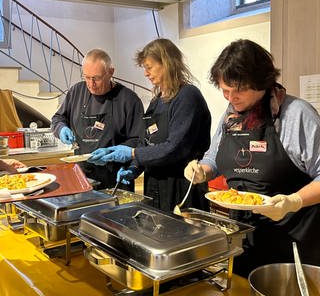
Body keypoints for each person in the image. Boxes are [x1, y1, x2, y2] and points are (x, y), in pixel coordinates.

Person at [184, 39, 320, 277]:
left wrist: (293, 201)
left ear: (262, 82)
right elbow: (214, 158)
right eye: (225, 90)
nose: (230, 98)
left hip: (291, 244)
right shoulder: (231, 115)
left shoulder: (296, 115)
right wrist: (202, 170)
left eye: (239, 90)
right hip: (243, 238)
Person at [88, 38, 211, 212]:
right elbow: (148, 142)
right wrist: (134, 168)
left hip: (182, 188)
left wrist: (132, 153)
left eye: (149, 67)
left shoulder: (187, 96)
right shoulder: (156, 101)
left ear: (167, 63)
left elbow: (175, 148)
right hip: (155, 186)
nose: (145, 73)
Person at [51, 48, 144, 190]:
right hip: (82, 176)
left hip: (115, 177)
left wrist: (112, 154)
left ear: (111, 72)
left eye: (97, 78)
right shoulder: (76, 91)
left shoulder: (129, 100)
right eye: (86, 77)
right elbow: (58, 118)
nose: (91, 84)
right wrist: (61, 128)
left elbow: (137, 139)